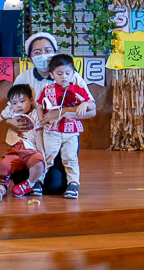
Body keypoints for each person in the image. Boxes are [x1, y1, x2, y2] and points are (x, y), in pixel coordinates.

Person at [12, 32, 96, 194]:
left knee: (54, 186)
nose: (43, 55)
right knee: (22, 177)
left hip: (63, 133)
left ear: (55, 51)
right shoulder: (23, 78)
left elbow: (91, 110)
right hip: (35, 137)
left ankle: (71, 183)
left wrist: (62, 112)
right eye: (37, 52)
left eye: (48, 50)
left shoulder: (72, 78)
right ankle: (35, 178)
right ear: (29, 57)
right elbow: (17, 112)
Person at [36, 54, 91, 199]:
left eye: (68, 73)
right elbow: (39, 106)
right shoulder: (47, 90)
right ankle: (38, 182)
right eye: (59, 74)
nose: (64, 77)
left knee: (70, 158)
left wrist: (85, 103)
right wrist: (42, 120)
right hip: (51, 131)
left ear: (73, 73)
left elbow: (92, 106)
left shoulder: (79, 90)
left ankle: (73, 184)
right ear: (51, 75)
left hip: (71, 132)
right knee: (47, 157)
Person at [0, 84, 46, 197]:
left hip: (31, 151)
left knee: (39, 163)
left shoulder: (36, 114)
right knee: (3, 164)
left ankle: (29, 184)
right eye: (14, 103)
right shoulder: (10, 111)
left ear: (30, 100)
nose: (18, 105)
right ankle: (4, 180)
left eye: (22, 101)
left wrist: (42, 154)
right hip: (15, 150)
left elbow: (39, 136)